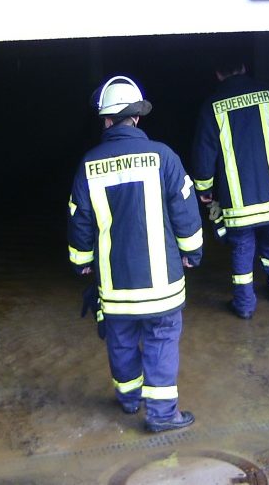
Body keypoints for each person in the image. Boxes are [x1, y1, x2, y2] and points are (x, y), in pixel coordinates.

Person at [68, 75, 203, 433]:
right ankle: (161, 415)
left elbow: (79, 219)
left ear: (106, 120)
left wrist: (81, 261)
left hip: (115, 285)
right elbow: (185, 209)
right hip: (162, 283)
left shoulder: (89, 164)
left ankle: (129, 400)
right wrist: (193, 252)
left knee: (121, 340)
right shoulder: (164, 157)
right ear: (137, 118)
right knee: (161, 341)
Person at [192, 57, 269, 319]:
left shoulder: (212, 106)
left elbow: (203, 155)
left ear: (218, 74)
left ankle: (244, 306)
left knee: (242, 250)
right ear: (243, 67)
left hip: (238, 204)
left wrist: (204, 189)